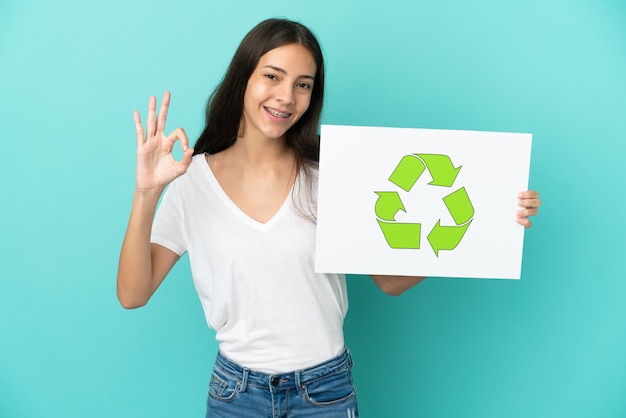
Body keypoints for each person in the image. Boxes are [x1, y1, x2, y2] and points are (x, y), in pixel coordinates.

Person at [117, 18, 541, 418]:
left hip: (324, 393)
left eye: (303, 84)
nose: (286, 96)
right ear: (242, 78)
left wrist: (488, 219)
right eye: (272, 76)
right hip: (235, 394)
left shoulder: (332, 175)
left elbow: (390, 282)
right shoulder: (191, 181)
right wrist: (147, 193)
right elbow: (133, 294)